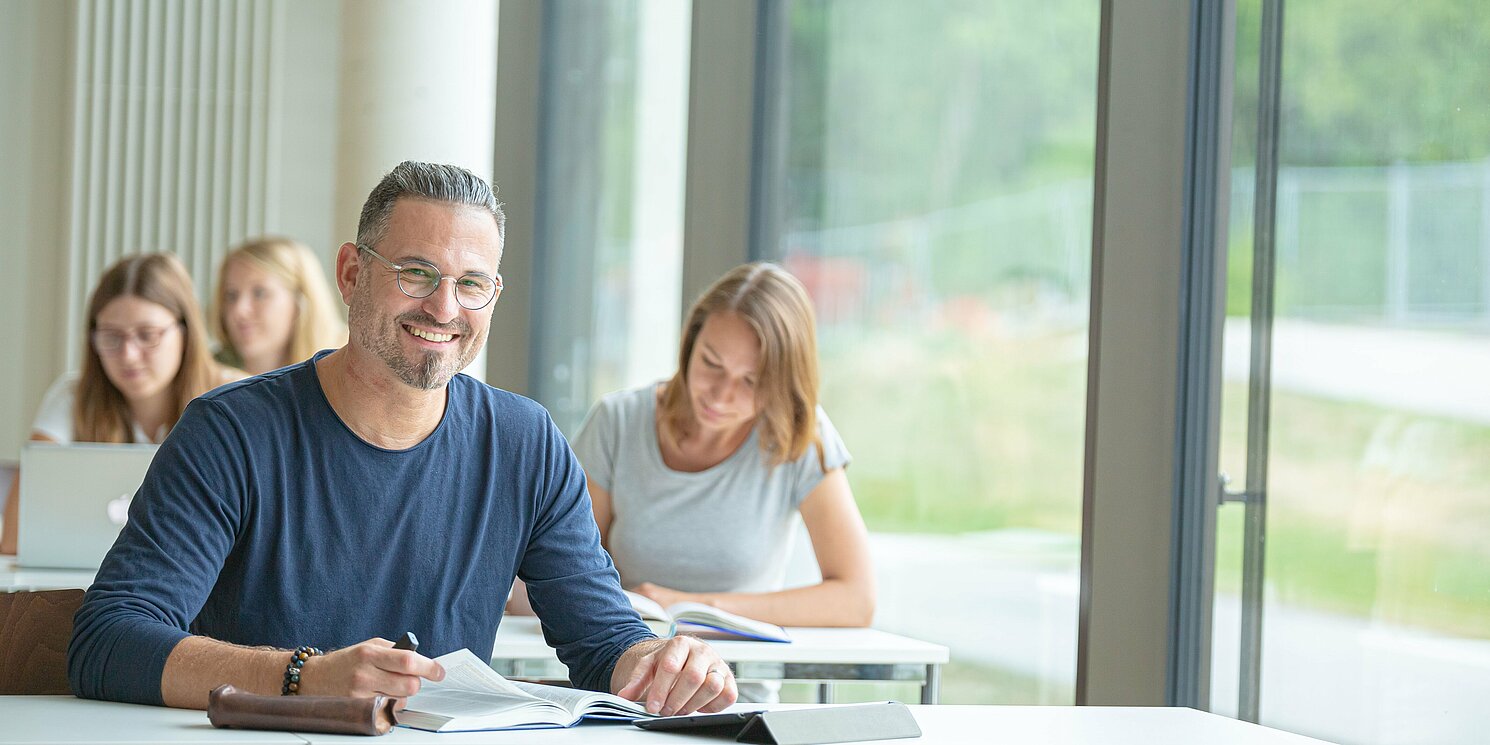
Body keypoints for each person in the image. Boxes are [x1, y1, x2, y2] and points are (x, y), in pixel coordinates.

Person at [67, 161, 736, 718]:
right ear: (353, 274)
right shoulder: (232, 431)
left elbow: (603, 640)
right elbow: (107, 642)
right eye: (416, 273)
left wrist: (660, 661)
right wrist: (305, 676)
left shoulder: (525, 442)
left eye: (471, 284)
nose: (445, 308)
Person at [569, 263, 875, 698]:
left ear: (783, 384)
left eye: (750, 381)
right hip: (626, 690)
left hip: (735, 701)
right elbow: (562, 569)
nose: (720, 395)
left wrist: (698, 609)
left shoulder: (799, 436)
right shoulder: (618, 422)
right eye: (711, 363)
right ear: (690, 345)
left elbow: (856, 597)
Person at [0, 253, 243, 555]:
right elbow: (14, 538)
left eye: (147, 335)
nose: (128, 354)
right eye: (111, 337)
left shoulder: (236, 396)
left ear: (186, 332)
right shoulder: (73, 397)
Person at [211, 237, 347, 375]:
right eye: (231, 295)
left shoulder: (344, 373)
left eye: (259, 293)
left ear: (300, 301)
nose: (239, 310)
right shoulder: (206, 376)